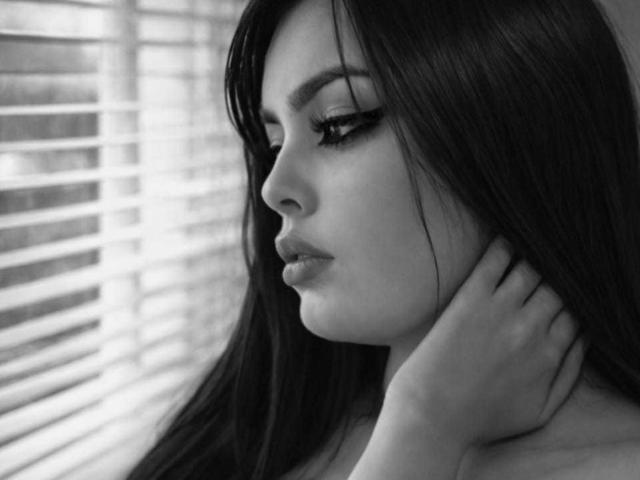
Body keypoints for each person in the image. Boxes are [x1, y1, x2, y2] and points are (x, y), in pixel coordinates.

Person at [124, 0, 640, 478]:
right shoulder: (265, 437)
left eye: (338, 124)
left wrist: (422, 426)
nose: (272, 188)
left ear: (520, 135)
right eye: (275, 144)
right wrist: (419, 430)